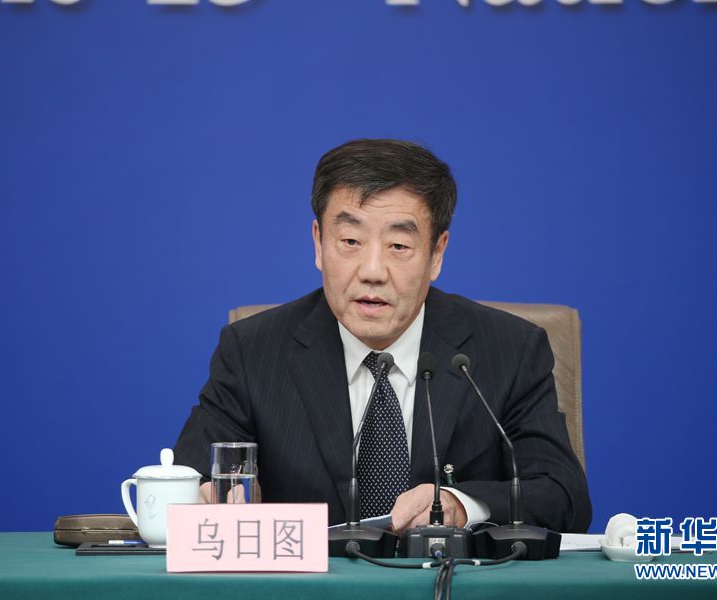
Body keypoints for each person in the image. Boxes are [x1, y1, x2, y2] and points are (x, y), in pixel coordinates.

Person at [174, 139, 592, 533]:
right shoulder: (253, 351)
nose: (372, 271)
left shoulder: (510, 350)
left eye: (398, 246)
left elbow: (564, 496)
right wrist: (207, 497)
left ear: (437, 254)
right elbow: (186, 480)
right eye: (350, 241)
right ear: (319, 243)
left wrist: (462, 504)